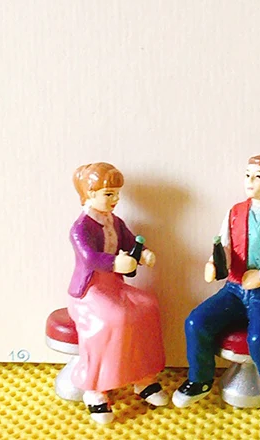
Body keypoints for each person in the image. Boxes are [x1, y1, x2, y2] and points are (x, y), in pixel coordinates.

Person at [173, 155, 260, 429]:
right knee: (196, 322)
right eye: (247, 175)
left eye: (258, 176)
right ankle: (200, 380)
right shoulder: (235, 212)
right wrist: (215, 263)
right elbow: (225, 245)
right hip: (234, 290)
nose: (249, 182)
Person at [67, 162, 169, 424]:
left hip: (114, 286)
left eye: (117, 193)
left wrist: (143, 254)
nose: (115, 199)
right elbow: (89, 257)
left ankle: (143, 378)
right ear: (90, 194)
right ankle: (95, 388)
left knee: (147, 306)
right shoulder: (80, 228)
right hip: (90, 291)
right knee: (115, 319)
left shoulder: (115, 222)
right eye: (109, 194)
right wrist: (114, 263)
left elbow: (129, 241)